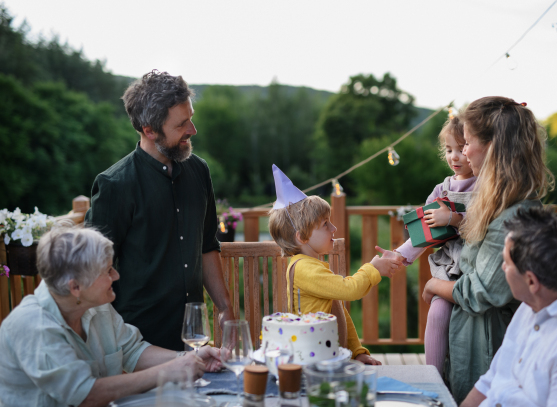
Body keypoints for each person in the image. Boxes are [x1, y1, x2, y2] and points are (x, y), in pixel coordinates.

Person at [85, 70, 233, 350]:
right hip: (136, 343)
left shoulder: (199, 171)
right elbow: (92, 270)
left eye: (191, 118)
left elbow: (207, 245)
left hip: (193, 336)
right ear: (149, 130)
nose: (193, 130)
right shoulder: (114, 185)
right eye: (182, 124)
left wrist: (225, 308)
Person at [421, 97, 554, 403]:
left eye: (467, 142)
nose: (463, 152)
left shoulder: (513, 214)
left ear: (492, 147)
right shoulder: (497, 202)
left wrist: (434, 284)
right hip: (473, 337)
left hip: (488, 342)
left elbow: (482, 292)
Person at [0, 227, 222, 407]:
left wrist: (187, 358)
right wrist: (167, 373)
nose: (116, 276)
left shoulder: (95, 306)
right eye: (107, 271)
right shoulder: (33, 325)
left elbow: (133, 350)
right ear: (75, 287)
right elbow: (85, 396)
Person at [461, 207, 557, 407]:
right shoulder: (536, 300)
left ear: (532, 281)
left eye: (506, 263)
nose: (503, 268)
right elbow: (492, 379)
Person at [268, 164, 400, 365]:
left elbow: (341, 314)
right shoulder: (305, 269)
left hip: (330, 358)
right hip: (313, 364)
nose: (334, 228)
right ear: (302, 237)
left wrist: (357, 352)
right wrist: (373, 268)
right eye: (325, 224)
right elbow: (350, 290)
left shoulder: (312, 265)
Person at [393, 116, 476, 375]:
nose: (455, 156)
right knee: (438, 313)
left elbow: (484, 225)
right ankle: (434, 376)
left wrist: (452, 218)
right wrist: (399, 256)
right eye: (449, 149)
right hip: (449, 266)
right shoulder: (441, 189)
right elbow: (423, 233)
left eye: (461, 148)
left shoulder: (485, 186)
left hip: (475, 266)